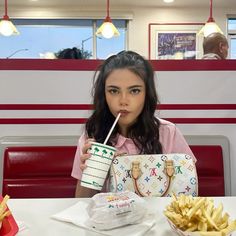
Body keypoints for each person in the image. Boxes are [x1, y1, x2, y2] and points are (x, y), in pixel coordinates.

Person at [71, 50, 196, 198]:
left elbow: (189, 187)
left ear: (147, 94)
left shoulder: (168, 133)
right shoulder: (92, 136)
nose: (123, 100)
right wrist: (92, 174)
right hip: (111, 220)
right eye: (114, 91)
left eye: (134, 91)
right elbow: (81, 201)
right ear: (103, 95)